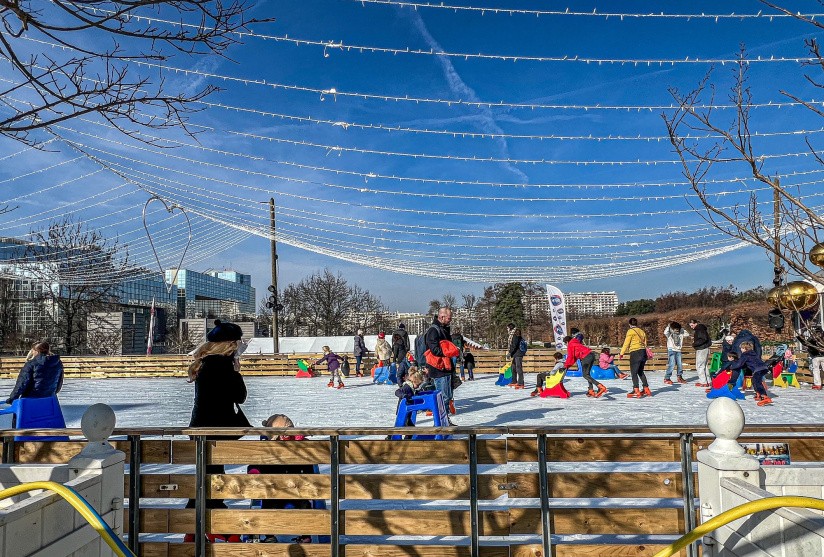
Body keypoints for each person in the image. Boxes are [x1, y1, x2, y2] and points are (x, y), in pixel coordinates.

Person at [186, 319, 250, 528]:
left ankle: (204, 514)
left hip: (200, 427)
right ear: (230, 345)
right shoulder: (222, 366)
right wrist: (237, 373)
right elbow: (239, 397)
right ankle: (202, 518)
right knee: (211, 475)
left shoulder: (205, 363)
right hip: (215, 429)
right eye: (238, 344)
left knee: (207, 472)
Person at [247, 413, 315, 544]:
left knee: (305, 505)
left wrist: (309, 482)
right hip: (274, 489)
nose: (284, 437)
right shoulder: (268, 448)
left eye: (287, 434)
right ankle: (269, 535)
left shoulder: (298, 447)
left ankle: (306, 535)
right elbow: (255, 462)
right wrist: (254, 471)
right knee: (268, 504)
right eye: (281, 435)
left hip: (296, 489)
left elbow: (308, 466)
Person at [424, 307, 457, 420]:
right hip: (438, 369)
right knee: (442, 397)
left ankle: (445, 421)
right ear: (442, 317)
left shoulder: (443, 329)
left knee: (447, 396)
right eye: (449, 318)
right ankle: (440, 422)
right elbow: (434, 349)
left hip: (445, 368)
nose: (450, 320)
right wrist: (449, 351)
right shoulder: (434, 330)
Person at [726, 341, 772, 406]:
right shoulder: (753, 353)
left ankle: (764, 396)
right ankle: (759, 394)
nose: (741, 350)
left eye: (741, 348)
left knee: (757, 381)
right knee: (754, 380)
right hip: (764, 367)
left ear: (745, 348)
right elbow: (746, 364)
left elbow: (739, 364)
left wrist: (731, 367)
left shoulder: (745, 355)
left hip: (758, 369)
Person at [619, 318, 652, 398]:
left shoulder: (630, 331)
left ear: (629, 324)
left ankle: (636, 390)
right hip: (643, 352)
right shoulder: (642, 331)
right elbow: (645, 343)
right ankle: (646, 388)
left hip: (635, 352)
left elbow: (626, 343)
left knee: (634, 372)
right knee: (640, 371)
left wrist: (621, 353)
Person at [689, 318, 711, 388]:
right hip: (704, 348)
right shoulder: (701, 329)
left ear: (696, 323)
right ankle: (708, 381)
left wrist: (694, 344)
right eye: (690, 326)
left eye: (692, 325)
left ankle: (703, 382)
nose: (691, 327)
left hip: (702, 349)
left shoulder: (699, 329)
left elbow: (703, 339)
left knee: (700, 366)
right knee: (704, 366)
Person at [506, 323, 526, 389]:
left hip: (518, 354)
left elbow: (513, 345)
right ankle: (514, 381)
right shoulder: (513, 335)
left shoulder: (515, 335)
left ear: (510, 328)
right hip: (515, 354)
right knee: (513, 367)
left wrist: (509, 352)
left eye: (508, 328)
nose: (507, 329)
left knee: (518, 368)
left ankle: (521, 383)